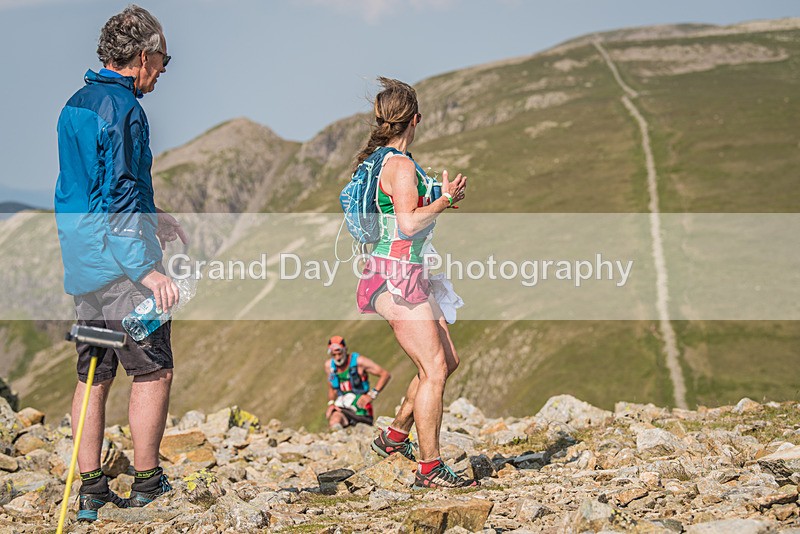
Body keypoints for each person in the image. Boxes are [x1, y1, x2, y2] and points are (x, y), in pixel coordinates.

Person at [54, 5, 186, 521]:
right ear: (144, 56)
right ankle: (148, 483)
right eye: (164, 59)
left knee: (94, 372)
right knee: (153, 370)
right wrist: (144, 269)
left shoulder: (76, 103)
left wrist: (155, 216)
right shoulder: (125, 108)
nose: (164, 70)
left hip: (85, 267)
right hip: (123, 272)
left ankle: (91, 489)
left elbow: (93, 187)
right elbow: (120, 192)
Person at [352, 78, 476, 489]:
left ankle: (395, 435)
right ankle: (430, 468)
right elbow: (406, 224)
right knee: (434, 369)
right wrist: (442, 201)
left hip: (406, 272)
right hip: (396, 275)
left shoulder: (389, 162)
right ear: (416, 120)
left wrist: (440, 196)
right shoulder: (400, 166)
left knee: (447, 360)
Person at [324, 336, 391, 430]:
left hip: (361, 408)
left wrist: (371, 395)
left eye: (339, 353)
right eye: (333, 355)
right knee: (335, 420)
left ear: (345, 350)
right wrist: (331, 403)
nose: (337, 357)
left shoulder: (359, 361)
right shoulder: (329, 367)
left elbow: (385, 374)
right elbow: (332, 388)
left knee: (363, 431)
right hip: (342, 406)